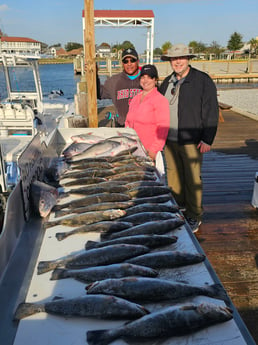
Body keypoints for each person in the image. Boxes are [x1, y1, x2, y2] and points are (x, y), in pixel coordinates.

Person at [159, 43, 219, 233]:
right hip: (169, 140)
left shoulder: (202, 80)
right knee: (174, 177)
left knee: (193, 179)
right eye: (174, 59)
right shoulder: (167, 82)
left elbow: (211, 111)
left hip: (192, 140)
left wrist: (207, 139)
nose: (178, 61)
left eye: (181, 58)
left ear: (188, 59)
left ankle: (195, 215)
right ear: (170, 61)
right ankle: (180, 207)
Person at [125, 64, 170, 161]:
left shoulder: (160, 100)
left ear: (155, 80)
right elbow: (128, 123)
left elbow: (163, 129)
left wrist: (154, 150)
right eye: (143, 77)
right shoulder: (135, 99)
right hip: (133, 150)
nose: (145, 81)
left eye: (150, 77)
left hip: (150, 152)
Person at [97, 48, 142, 127]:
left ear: (138, 62)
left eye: (132, 60)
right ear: (122, 63)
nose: (129, 64)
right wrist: (94, 75)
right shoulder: (114, 81)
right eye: (125, 61)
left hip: (142, 126)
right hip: (122, 125)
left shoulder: (146, 80)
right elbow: (100, 93)